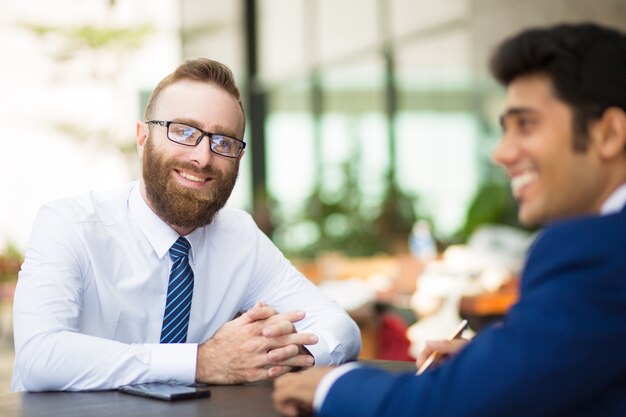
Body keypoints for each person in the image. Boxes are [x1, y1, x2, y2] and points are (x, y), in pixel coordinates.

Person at [273, 22, 626, 417]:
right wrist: (501, 362)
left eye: (526, 124)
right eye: (504, 129)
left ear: (608, 133)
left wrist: (332, 386)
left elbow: (443, 407)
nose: (502, 153)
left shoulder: (596, 249)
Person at [12, 58, 361, 392]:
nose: (202, 157)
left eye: (223, 142)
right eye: (182, 131)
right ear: (143, 138)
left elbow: (341, 329)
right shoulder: (69, 224)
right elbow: (40, 357)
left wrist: (286, 357)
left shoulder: (239, 236)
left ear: (239, 157)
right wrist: (200, 362)